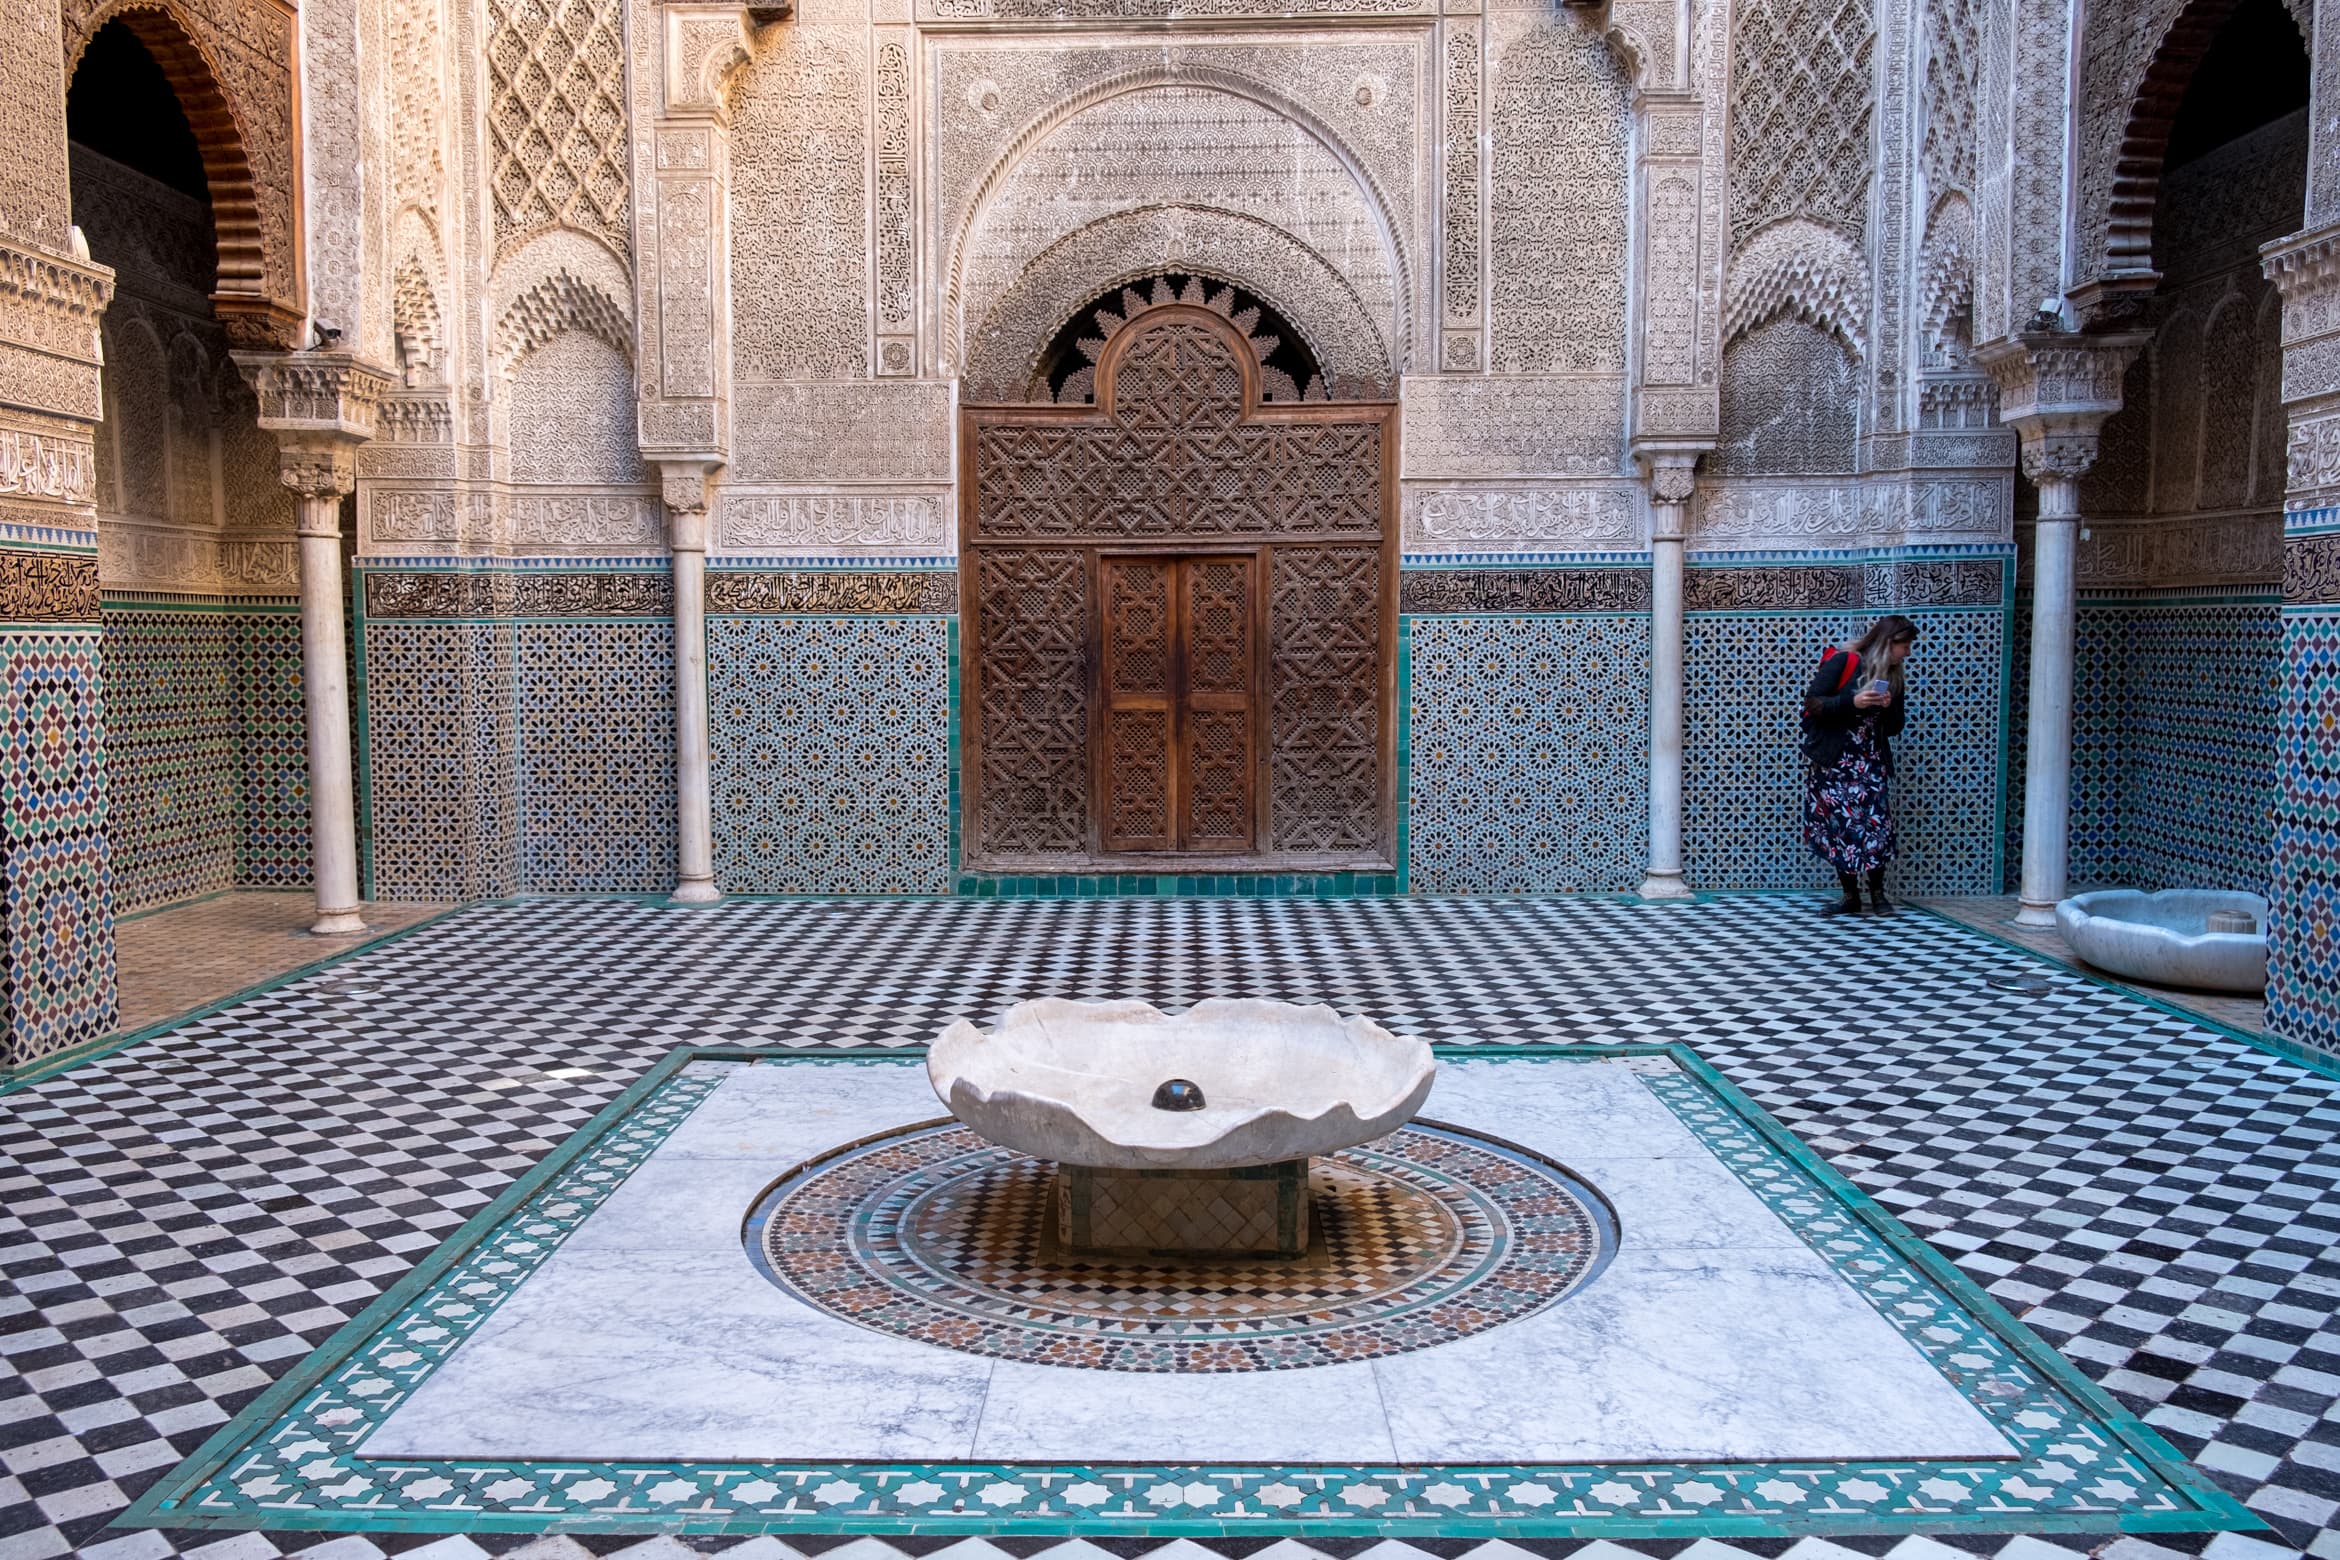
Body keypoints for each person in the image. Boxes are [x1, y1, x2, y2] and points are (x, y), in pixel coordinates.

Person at [1801, 614, 1919, 916]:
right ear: (1889, 642)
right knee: (1840, 828)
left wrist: (1888, 706)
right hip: (1835, 764)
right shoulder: (1845, 662)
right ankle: (1850, 896)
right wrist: (1851, 703)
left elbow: (1894, 727)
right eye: (1904, 646)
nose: (1907, 653)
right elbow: (1813, 702)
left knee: (1875, 827)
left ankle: (1878, 895)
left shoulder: (1893, 676)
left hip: (1869, 764)